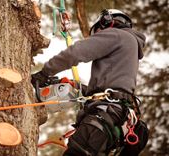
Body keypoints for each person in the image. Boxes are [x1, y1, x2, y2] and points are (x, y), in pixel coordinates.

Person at [31, 9, 148, 156]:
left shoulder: (117, 35)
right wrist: (79, 88)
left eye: (99, 31)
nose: (99, 35)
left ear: (108, 21)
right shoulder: (131, 47)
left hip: (103, 118)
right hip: (116, 119)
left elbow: (76, 53)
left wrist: (44, 73)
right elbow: (113, 87)